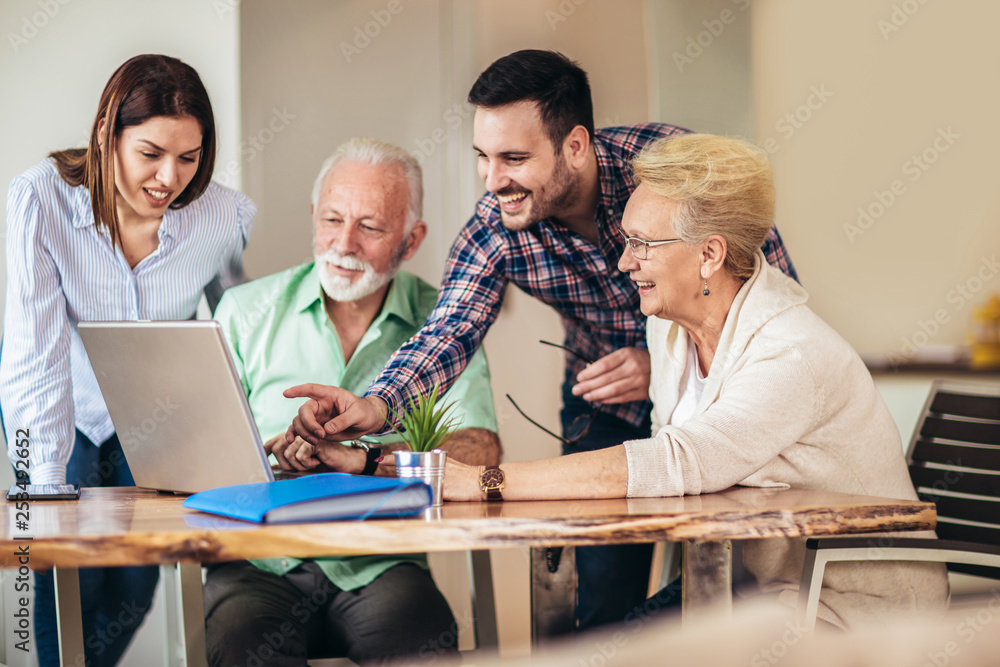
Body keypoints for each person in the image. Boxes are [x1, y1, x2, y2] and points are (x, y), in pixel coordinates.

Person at [284, 49, 798, 630]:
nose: (493, 179)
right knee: (602, 604)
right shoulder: (495, 228)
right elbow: (449, 331)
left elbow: (770, 302)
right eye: (483, 157)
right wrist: (375, 405)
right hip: (600, 404)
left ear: (574, 146)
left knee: (727, 574)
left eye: (514, 158)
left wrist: (666, 361)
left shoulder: (670, 175)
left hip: (709, 396)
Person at [443, 133, 950, 629]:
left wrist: (486, 482)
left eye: (642, 244)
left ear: (709, 254)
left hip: (850, 609)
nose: (624, 262)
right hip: (745, 589)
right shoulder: (667, 329)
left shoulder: (791, 353)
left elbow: (677, 461)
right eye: (626, 240)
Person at [204, 138, 500, 666]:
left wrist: (368, 459)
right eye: (332, 220)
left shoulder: (447, 321)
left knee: (422, 643)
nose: (344, 244)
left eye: (370, 227)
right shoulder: (244, 310)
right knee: (238, 645)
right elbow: (201, 449)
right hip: (258, 563)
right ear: (313, 215)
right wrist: (269, 456)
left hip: (383, 562)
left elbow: (478, 450)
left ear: (411, 241)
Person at [0, 54, 255, 667]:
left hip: (155, 422)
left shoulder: (226, 216)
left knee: (135, 587)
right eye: (150, 153)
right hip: (64, 406)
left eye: (189, 158)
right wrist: (47, 490)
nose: (170, 178)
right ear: (106, 135)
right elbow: (35, 351)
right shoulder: (41, 199)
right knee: (67, 583)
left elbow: (236, 336)